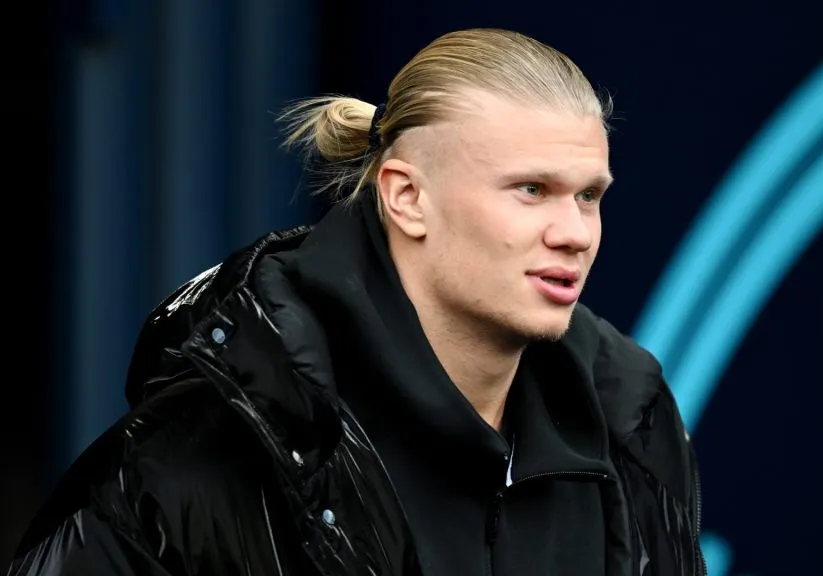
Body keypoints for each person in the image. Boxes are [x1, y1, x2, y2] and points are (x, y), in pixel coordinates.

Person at [8, 28, 706, 576]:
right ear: (406, 197)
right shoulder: (216, 444)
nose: (574, 233)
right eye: (531, 190)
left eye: (589, 195)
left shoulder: (630, 426)